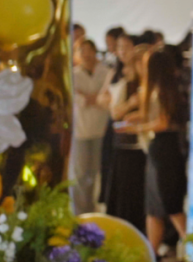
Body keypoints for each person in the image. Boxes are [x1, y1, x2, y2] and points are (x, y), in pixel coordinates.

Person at [120, 47, 187, 257]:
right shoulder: (157, 89)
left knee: (171, 204)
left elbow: (163, 122)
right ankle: (151, 253)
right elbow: (153, 115)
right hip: (157, 150)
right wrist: (135, 117)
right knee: (153, 208)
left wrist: (137, 128)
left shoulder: (164, 90)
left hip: (165, 150)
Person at [103, 37, 147, 233]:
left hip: (141, 146)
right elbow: (115, 113)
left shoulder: (146, 84)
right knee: (123, 192)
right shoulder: (121, 81)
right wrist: (130, 106)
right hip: (123, 144)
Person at [71, 38, 110, 214]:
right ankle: (80, 211)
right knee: (80, 173)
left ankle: (91, 208)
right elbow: (77, 99)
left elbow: (106, 99)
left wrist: (88, 97)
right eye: (82, 51)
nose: (86, 54)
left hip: (100, 129)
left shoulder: (105, 72)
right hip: (80, 130)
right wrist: (94, 97)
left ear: (95, 51)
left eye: (89, 50)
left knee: (94, 172)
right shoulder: (73, 74)